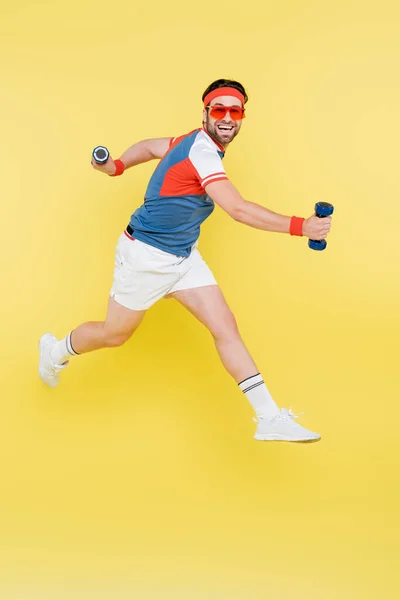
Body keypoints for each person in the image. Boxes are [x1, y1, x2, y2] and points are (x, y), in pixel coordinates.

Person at [38, 78, 332, 442]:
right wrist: (302, 226)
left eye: (235, 110)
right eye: (219, 110)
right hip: (146, 256)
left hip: (183, 255)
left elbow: (149, 147)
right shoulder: (202, 152)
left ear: (242, 116)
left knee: (226, 328)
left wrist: (117, 166)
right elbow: (237, 209)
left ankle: (269, 417)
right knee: (114, 335)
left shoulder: (190, 140)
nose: (227, 117)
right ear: (206, 113)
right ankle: (54, 350)